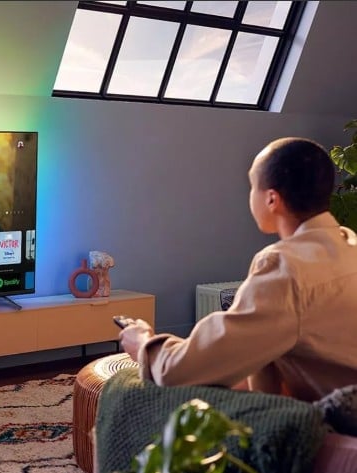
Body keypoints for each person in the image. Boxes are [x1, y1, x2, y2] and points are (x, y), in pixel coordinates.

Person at [119, 137, 357, 402]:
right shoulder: (350, 243)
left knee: (129, 394)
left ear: (271, 199)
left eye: (252, 186)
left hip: (338, 417)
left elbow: (178, 371)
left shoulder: (286, 266)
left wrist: (144, 344)